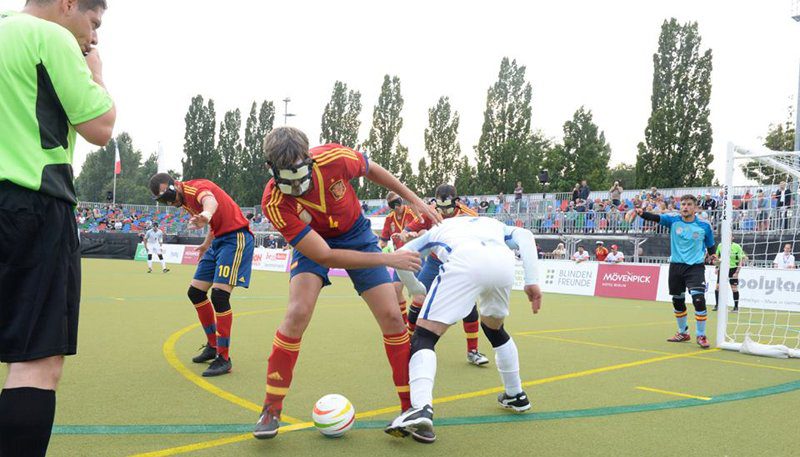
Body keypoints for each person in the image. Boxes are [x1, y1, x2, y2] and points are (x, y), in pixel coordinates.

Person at [254, 127, 437, 439]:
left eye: (301, 176)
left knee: (393, 317)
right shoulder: (273, 203)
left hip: (357, 235)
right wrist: (388, 259)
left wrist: (415, 201)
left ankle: (411, 409)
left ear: (309, 159)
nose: (297, 188)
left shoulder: (335, 158)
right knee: (297, 312)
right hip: (316, 245)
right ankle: (271, 408)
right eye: (289, 182)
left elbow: (373, 169)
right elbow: (325, 256)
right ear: (273, 171)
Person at [0, 1, 115, 455]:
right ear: (68, 4)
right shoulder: (51, 37)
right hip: (32, 206)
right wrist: (97, 72)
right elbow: (100, 127)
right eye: (93, 22)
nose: (94, 36)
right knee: (34, 362)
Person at [384, 217, 542, 443]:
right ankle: (516, 394)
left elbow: (402, 257)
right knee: (494, 329)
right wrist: (532, 280)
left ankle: (420, 408)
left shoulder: (436, 231)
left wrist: (416, 287)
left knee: (424, 336)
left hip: (465, 261)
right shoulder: (492, 222)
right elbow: (525, 236)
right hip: (504, 264)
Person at [149, 172, 254, 377]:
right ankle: (213, 345)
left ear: (175, 186)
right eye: (164, 201)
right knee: (195, 293)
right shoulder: (183, 200)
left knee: (220, 295)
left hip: (236, 238)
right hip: (217, 241)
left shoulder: (193, 189)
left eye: (168, 198)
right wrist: (206, 243)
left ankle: (224, 358)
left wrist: (206, 215)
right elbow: (214, 221)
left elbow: (210, 202)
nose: (169, 203)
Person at [402, 184, 490, 367]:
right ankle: (409, 346)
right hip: (434, 261)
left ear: (456, 202)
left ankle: (472, 351)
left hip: (459, 263)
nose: (444, 213)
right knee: (419, 299)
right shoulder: (430, 211)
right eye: (440, 209)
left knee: (469, 304)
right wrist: (410, 234)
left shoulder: (469, 215)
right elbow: (407, 232)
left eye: (448, 208)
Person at [635, 195, 715, 348]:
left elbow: (710, 245)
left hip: (695, 267)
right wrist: (641, 213)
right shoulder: (673, 220)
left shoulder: (704, 226)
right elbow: (655, 217)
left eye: (689, 204)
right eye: (683, 204)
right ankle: (683, 332)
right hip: (676, 266)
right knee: (678, 301)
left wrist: (713, 255)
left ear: (696, 207)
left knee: (699, 299)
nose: (685, 207)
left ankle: (701, 335)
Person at [379, 191, 417, 324]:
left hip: (415, 256)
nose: (396, 207)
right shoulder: (389, 219)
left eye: (398, 203)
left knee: (419, 293)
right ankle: (404, 322)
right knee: (396, 289)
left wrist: (411, 235)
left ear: (401, 201)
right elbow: (383, 241)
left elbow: (421, 231)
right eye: (392, 205)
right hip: (399, 259)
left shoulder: (412, 213)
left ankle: (418, 321)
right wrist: (376, 250)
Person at [713, 241, 746, 312]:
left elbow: (742, 259)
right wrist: (716, 267)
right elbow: (717, 257)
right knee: (718, 287)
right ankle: (717, 305)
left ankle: (736, 307)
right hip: (722, 269)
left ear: (732, 238)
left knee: (734, 288)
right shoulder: (720, 245)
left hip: (733, 269)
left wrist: (737, 272)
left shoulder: (737, 246)